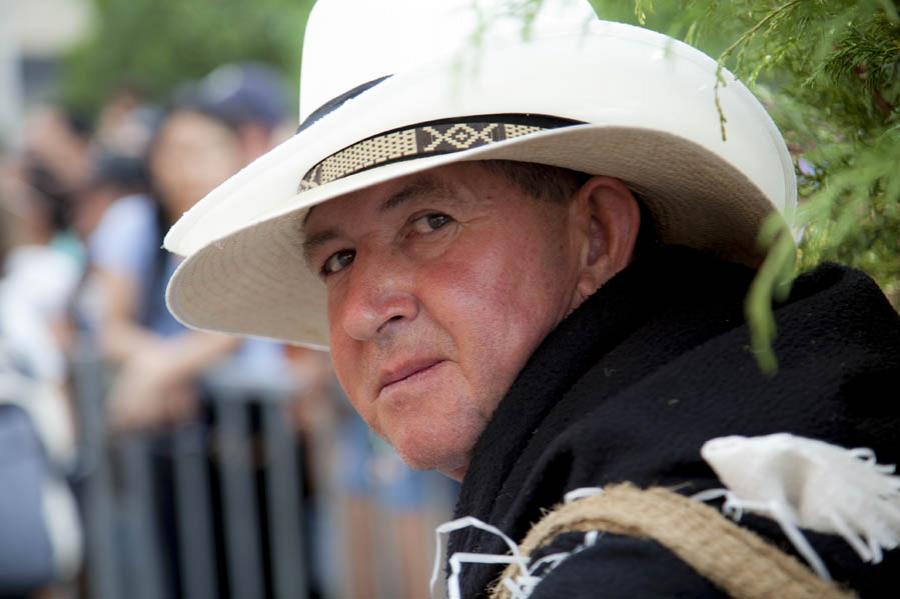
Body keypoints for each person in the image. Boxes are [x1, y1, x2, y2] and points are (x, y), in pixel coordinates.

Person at [163, 0, 900, 597]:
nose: (360, 309)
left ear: (597, 234)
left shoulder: (628, 564)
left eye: (430, 222)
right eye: (338, 258)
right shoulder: (780, 407)